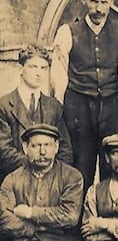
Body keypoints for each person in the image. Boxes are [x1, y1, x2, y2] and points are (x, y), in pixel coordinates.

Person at [51, 0, 118, 188]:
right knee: (81, 163)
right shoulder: (68, 31)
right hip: (79, 106)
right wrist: (59, 106)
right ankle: (79, 209)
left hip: (112, 105)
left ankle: (109, 207)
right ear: (84, 1)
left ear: (112, 2)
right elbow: (59, 71)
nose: (99, 8)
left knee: (113, 160)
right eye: (94, 2)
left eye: (104, 2)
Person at [0, 45, 73, 181]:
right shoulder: (4, 105)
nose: (39, 73)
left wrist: (53, 176)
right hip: (15, 179)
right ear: (20, 69)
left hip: (50, 181)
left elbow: (65, 149)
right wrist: (38, 167)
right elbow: (4, 151)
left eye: (43, 68)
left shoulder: (54, 106)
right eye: (33, 67)